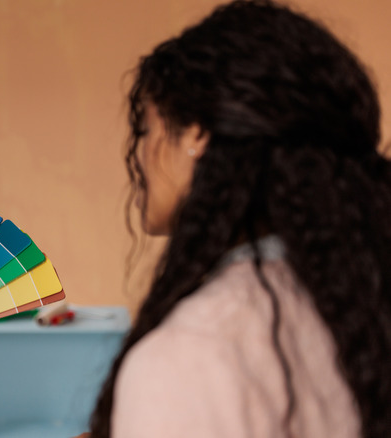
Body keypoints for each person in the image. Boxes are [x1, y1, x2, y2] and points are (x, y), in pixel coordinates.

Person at [86, 1, 391, 437]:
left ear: (196, 134)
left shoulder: (182, 358)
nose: (138, 155)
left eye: (145, 130)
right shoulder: (363, 308)